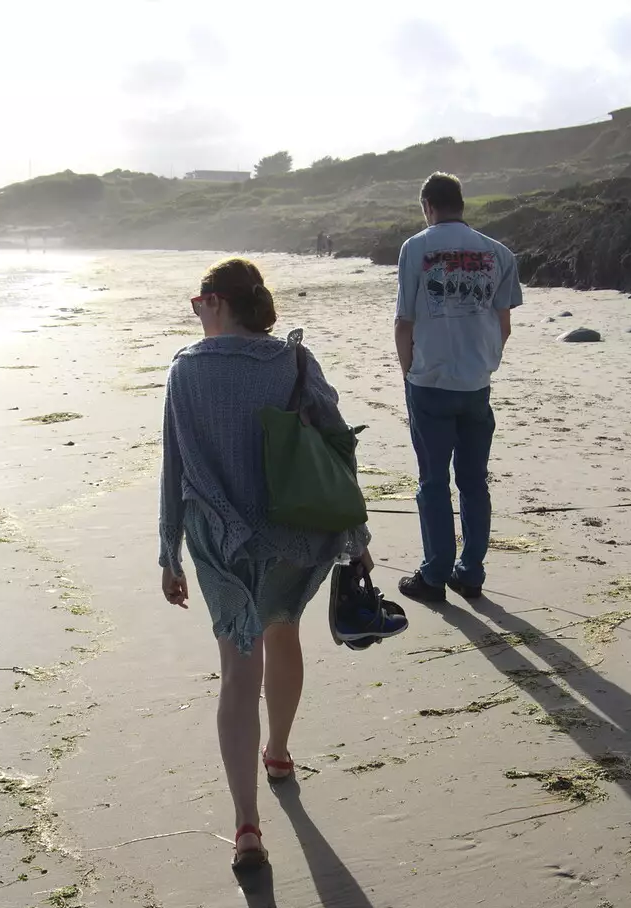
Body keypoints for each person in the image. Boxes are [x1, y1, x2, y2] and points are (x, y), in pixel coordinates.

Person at [158, 257, 372, 870]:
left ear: (218, 303)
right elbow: (337, 443)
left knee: (237, 670)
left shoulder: (185, 371)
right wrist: (355, 531)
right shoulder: (296, 360)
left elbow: (174, 464)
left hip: (220, 541)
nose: (195, 314)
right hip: (294, 530)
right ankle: (277, 750)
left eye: (198, 303)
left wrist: (168, 549)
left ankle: (247, 826)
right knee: (284, 630)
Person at [393, 171, 522, 604]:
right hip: (475, 383)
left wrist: (408, 368)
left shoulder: (416, 247)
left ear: (427, 206)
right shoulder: (498, 252)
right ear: (461, 204)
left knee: (433, 482)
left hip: (430, 380)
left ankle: (434, 575)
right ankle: (471, 572)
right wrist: (485, 363)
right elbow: (503, 323)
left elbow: (404, 320)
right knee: (473, 481)